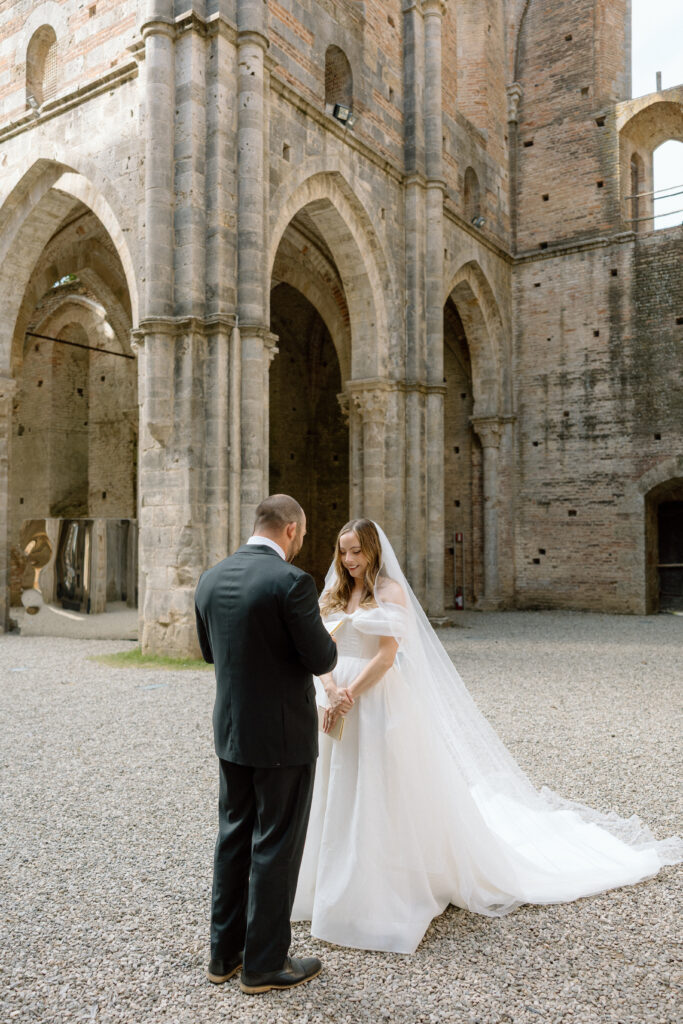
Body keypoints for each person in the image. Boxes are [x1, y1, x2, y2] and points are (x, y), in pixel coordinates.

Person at [292, 518, 682, 954]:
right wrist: (329, 690)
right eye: (343, 552)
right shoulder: (334, 594)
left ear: (373, 552)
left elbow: (386, 657)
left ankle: (379, 884)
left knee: (378, 785)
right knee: (332, 784)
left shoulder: (390, 593)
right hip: (332, 695)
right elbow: (317, 647)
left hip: (374, 696)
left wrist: (350, 694)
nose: (348, 561)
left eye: (356, 552)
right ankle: (324, 880)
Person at [195, 494, 338, 993]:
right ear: (293, 531)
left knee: (233, 837)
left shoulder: (211, 577)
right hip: (283, 737)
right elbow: (321, 658)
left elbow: (210, 652)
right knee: (276, 843)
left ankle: (224, 955)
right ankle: (265, 965)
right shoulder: (292, 582)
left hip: (231, 732)